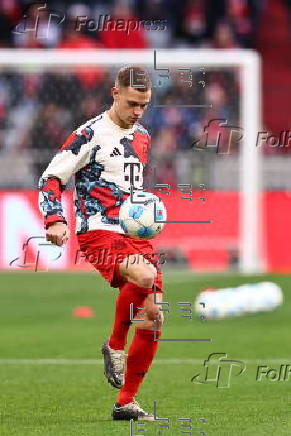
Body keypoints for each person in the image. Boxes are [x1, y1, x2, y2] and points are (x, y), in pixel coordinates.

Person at [38, 66, 164, 421]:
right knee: (143, 276)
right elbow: (51, 178)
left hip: (135, 233)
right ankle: (114, 345)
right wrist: (55, 218)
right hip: (98, 230)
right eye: (132, 103)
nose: (138, 112)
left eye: (144, 105)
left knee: (154, 318)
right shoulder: (89, 134)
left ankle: (126, 402)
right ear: (115, 94)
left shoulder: (143, 137)